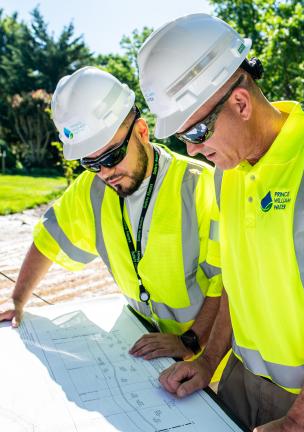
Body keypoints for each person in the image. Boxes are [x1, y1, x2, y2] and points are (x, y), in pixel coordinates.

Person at [136, 14, 304, 432]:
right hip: (242, 385)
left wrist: (301, 420)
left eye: (199, 129)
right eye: (182, 137)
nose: (193, 147)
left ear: (240, 103)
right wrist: (209, 361)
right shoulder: (226, 172)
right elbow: (233, 281)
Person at [0, 66, 222, 362]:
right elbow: (49, 238)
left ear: (142, 132)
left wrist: (190, 342)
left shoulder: (199, 185)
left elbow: (228, 283)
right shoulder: (91, 190)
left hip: (207, 364)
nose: (105, 173)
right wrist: (18, 300)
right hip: (144, 356)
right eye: (90, 163)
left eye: (112, 156)